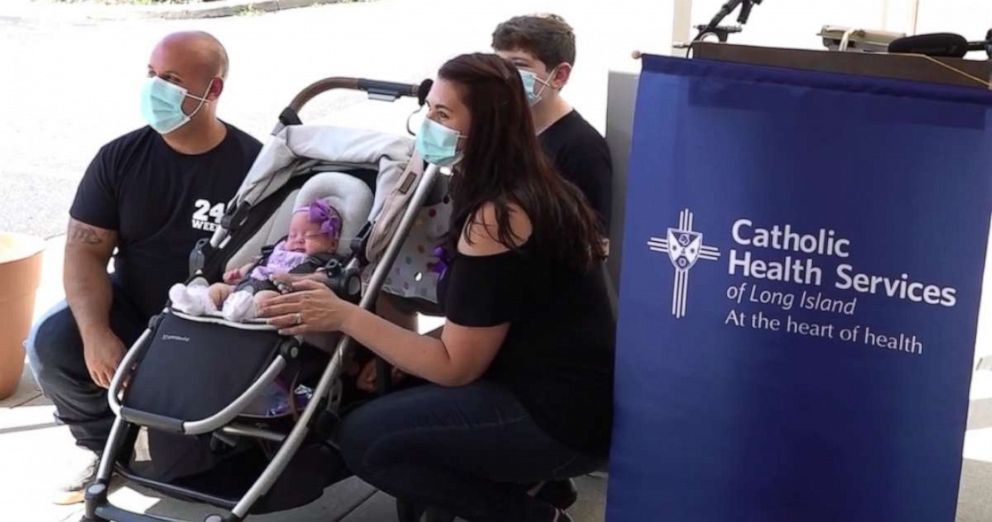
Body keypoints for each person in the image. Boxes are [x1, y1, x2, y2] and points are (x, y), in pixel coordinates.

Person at [263, 53, 614, 522]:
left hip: (558, 418)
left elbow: (456, 368)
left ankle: (529, 514)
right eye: (428, 109)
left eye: (443, 115)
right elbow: (490, 320)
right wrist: (405, 349)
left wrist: (343, 315)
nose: (428, 124)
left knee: (366, 440)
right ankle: (528, 489)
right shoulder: (526, 184)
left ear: (487, 128)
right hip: (552, 388)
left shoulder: (500, 215)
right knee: (387, 392)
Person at [24, 31, 262, 504]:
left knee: (192, 474)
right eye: (152, 74)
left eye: (171, 79)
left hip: (210, 326)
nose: (156, 89)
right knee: (51, 341)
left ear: (212, 90)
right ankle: (100, 445)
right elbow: (84, 252)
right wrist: (95, 334)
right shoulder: (120, 158)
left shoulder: (254, 168)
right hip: (132, 306)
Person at [493, 13, 613, 229]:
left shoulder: (583, 147)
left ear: (559, 75)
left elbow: (593, 239)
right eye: (498, 64)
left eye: (519, 65)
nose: (503, 75)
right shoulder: (501, 129)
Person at [169, 200, 343, 321]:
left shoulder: (324, 261)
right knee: (218, 289)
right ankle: (198, 303)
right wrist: (239, 273)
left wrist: (293, 280)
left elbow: (324, 279)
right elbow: (257, 264)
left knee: (265, 299)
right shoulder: (278, 249)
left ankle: (244, 311)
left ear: (332, 244)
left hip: (277, 293)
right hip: (245, 286)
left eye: (310, 236)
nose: (299, 240)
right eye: (293, 235)